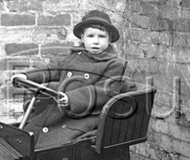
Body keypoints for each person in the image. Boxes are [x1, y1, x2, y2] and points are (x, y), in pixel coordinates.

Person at [12, 9, 136, 148]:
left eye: (101, 36)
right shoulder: (75, 56)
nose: (95, 41)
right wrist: (27, 76)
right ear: (82, 37)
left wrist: (71, 98)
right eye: (90, 36)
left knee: (52, 146)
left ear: (110, 39)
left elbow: (102, 90)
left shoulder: (114, 64)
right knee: (24, 136)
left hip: (86, 116)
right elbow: (54, 69)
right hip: (59, 111)